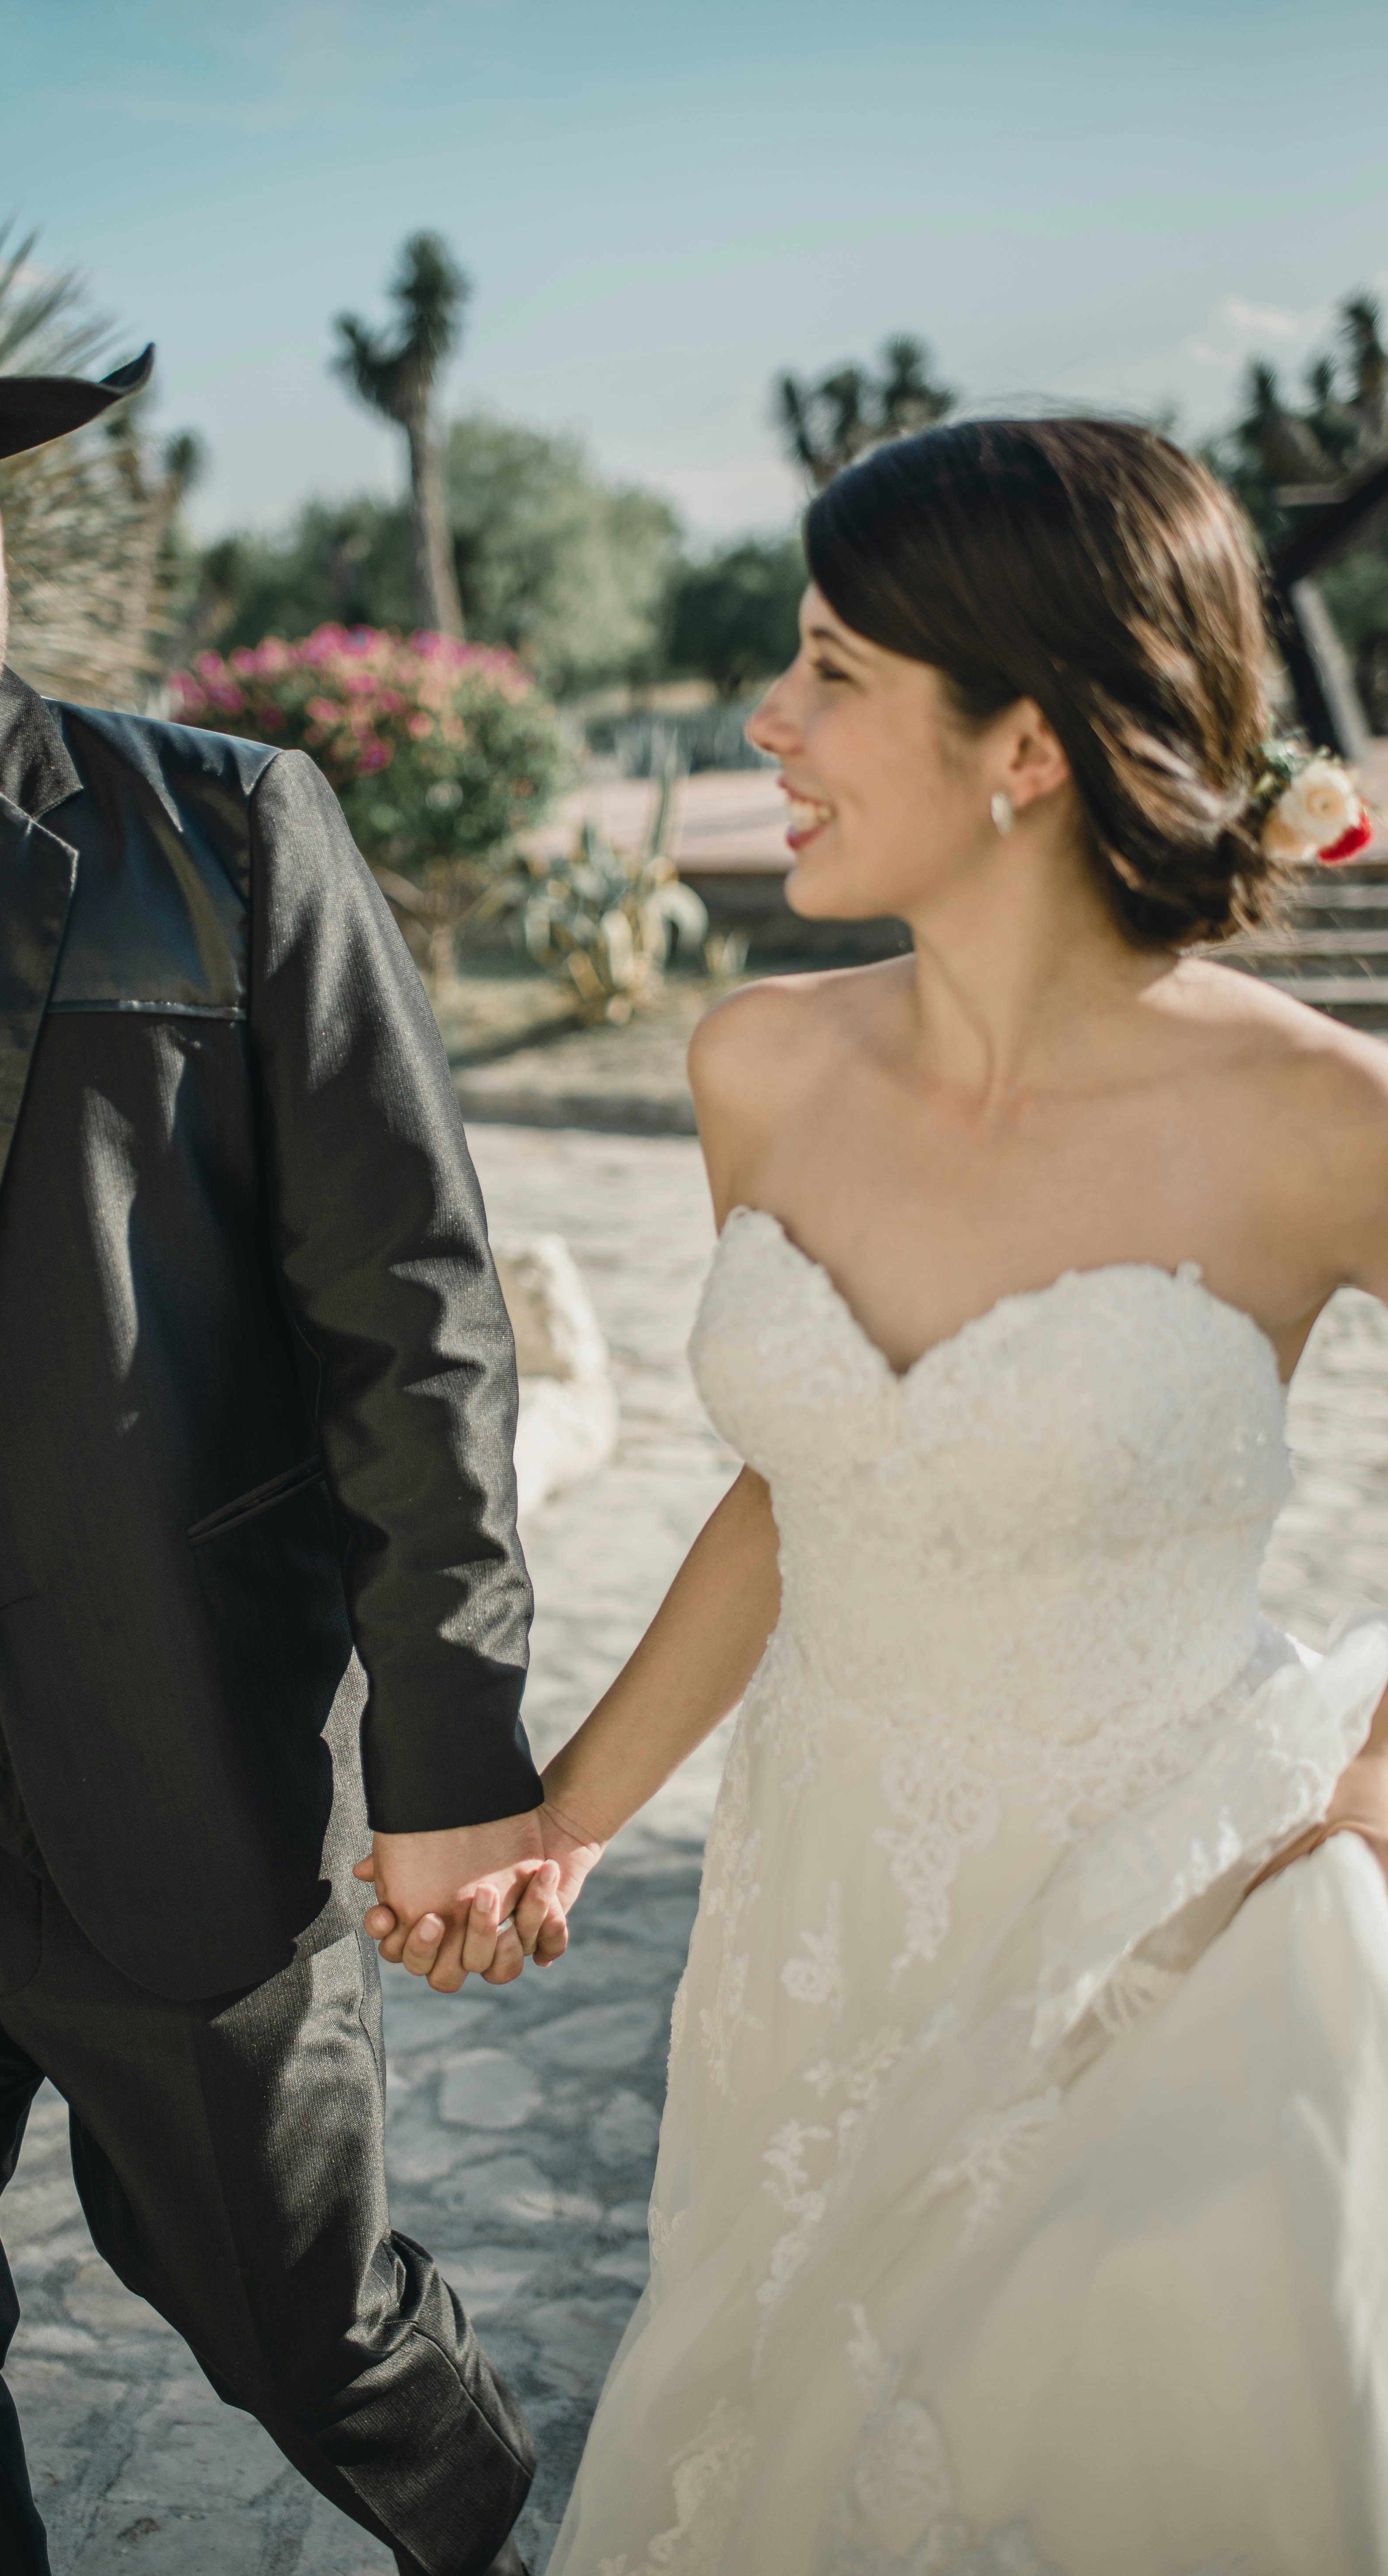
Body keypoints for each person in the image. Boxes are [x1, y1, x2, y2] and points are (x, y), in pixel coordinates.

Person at [0, 146, 573, 2575]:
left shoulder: (230, 838)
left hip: (178, 1799)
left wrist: (455, 1757)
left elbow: (415, 1327)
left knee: (310, 2331)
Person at [517, 419, 1388, 2571]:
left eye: (826, 670)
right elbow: (795, 1492)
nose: (766, 718)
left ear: (1023, 743)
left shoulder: (1310, 1116)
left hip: (1167, 1932)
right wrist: (569, 1812)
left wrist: (1373, 1784)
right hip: (811, 1923)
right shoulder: (760, 1064)